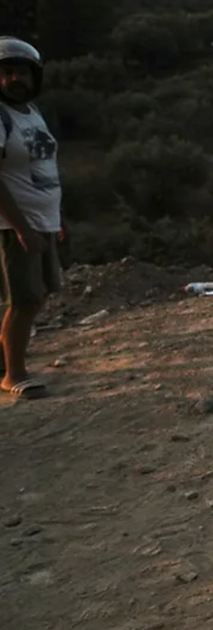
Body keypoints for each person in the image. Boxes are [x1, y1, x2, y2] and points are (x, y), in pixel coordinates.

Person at [0, 36, 63, 400]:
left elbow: (45, 166)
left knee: (37, 295)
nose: (14, 79)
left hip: (42, 220)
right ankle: (13, 374)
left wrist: (58, 218)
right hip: (15, 225)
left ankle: (5, 359)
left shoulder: (31, 112)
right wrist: (22, 229)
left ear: (34, 76)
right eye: (7, 72)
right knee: (24, 299)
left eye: (21, 72)